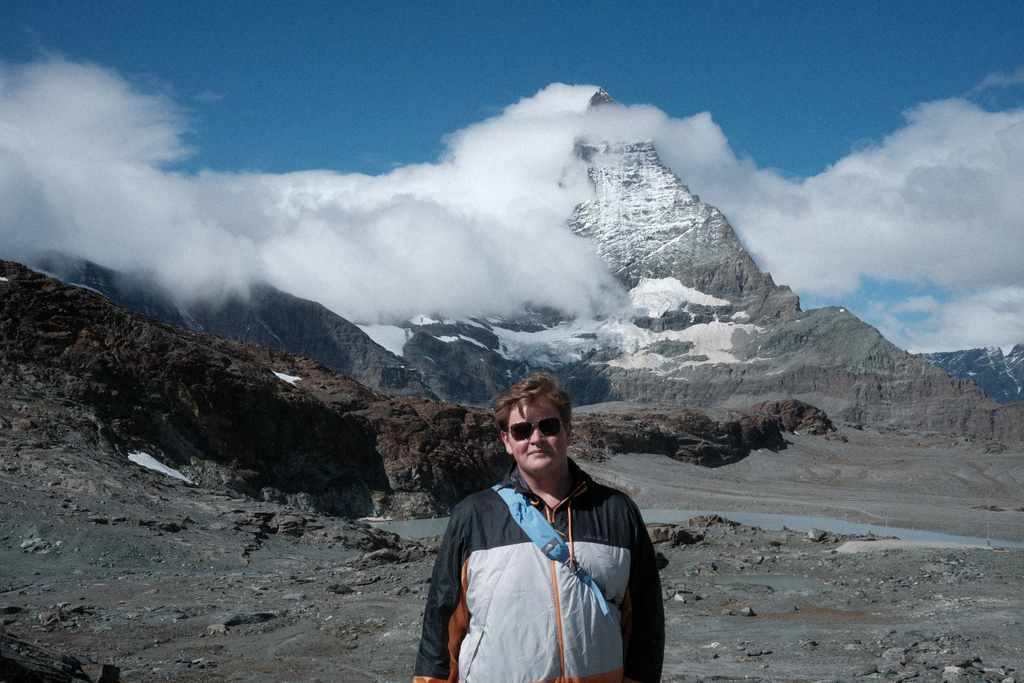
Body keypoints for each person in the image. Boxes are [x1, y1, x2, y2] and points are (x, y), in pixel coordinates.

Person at [414, 373, 665, 683]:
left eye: (548, 426)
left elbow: (644, 624)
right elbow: (441, 624)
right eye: (521, 430)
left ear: (568, 431)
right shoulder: (474, 516)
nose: (535, 438)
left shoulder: (617, 512)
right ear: (506, 441)